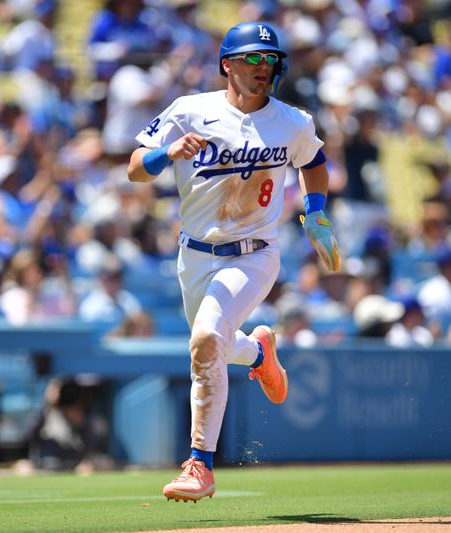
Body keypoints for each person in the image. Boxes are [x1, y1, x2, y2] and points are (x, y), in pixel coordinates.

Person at [127, 21, 340, 502]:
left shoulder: (292, 121)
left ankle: (200, 464)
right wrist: (167, 151)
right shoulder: (190, 110)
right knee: (216, 345)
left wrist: (317, 211)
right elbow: (135, 167)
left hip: (254, 256)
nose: (265, 67)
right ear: (228, 64)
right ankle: (260, 353)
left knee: (205, 339)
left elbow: (314, 162)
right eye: (254, 59)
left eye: (270, 60)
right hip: (194, 255)